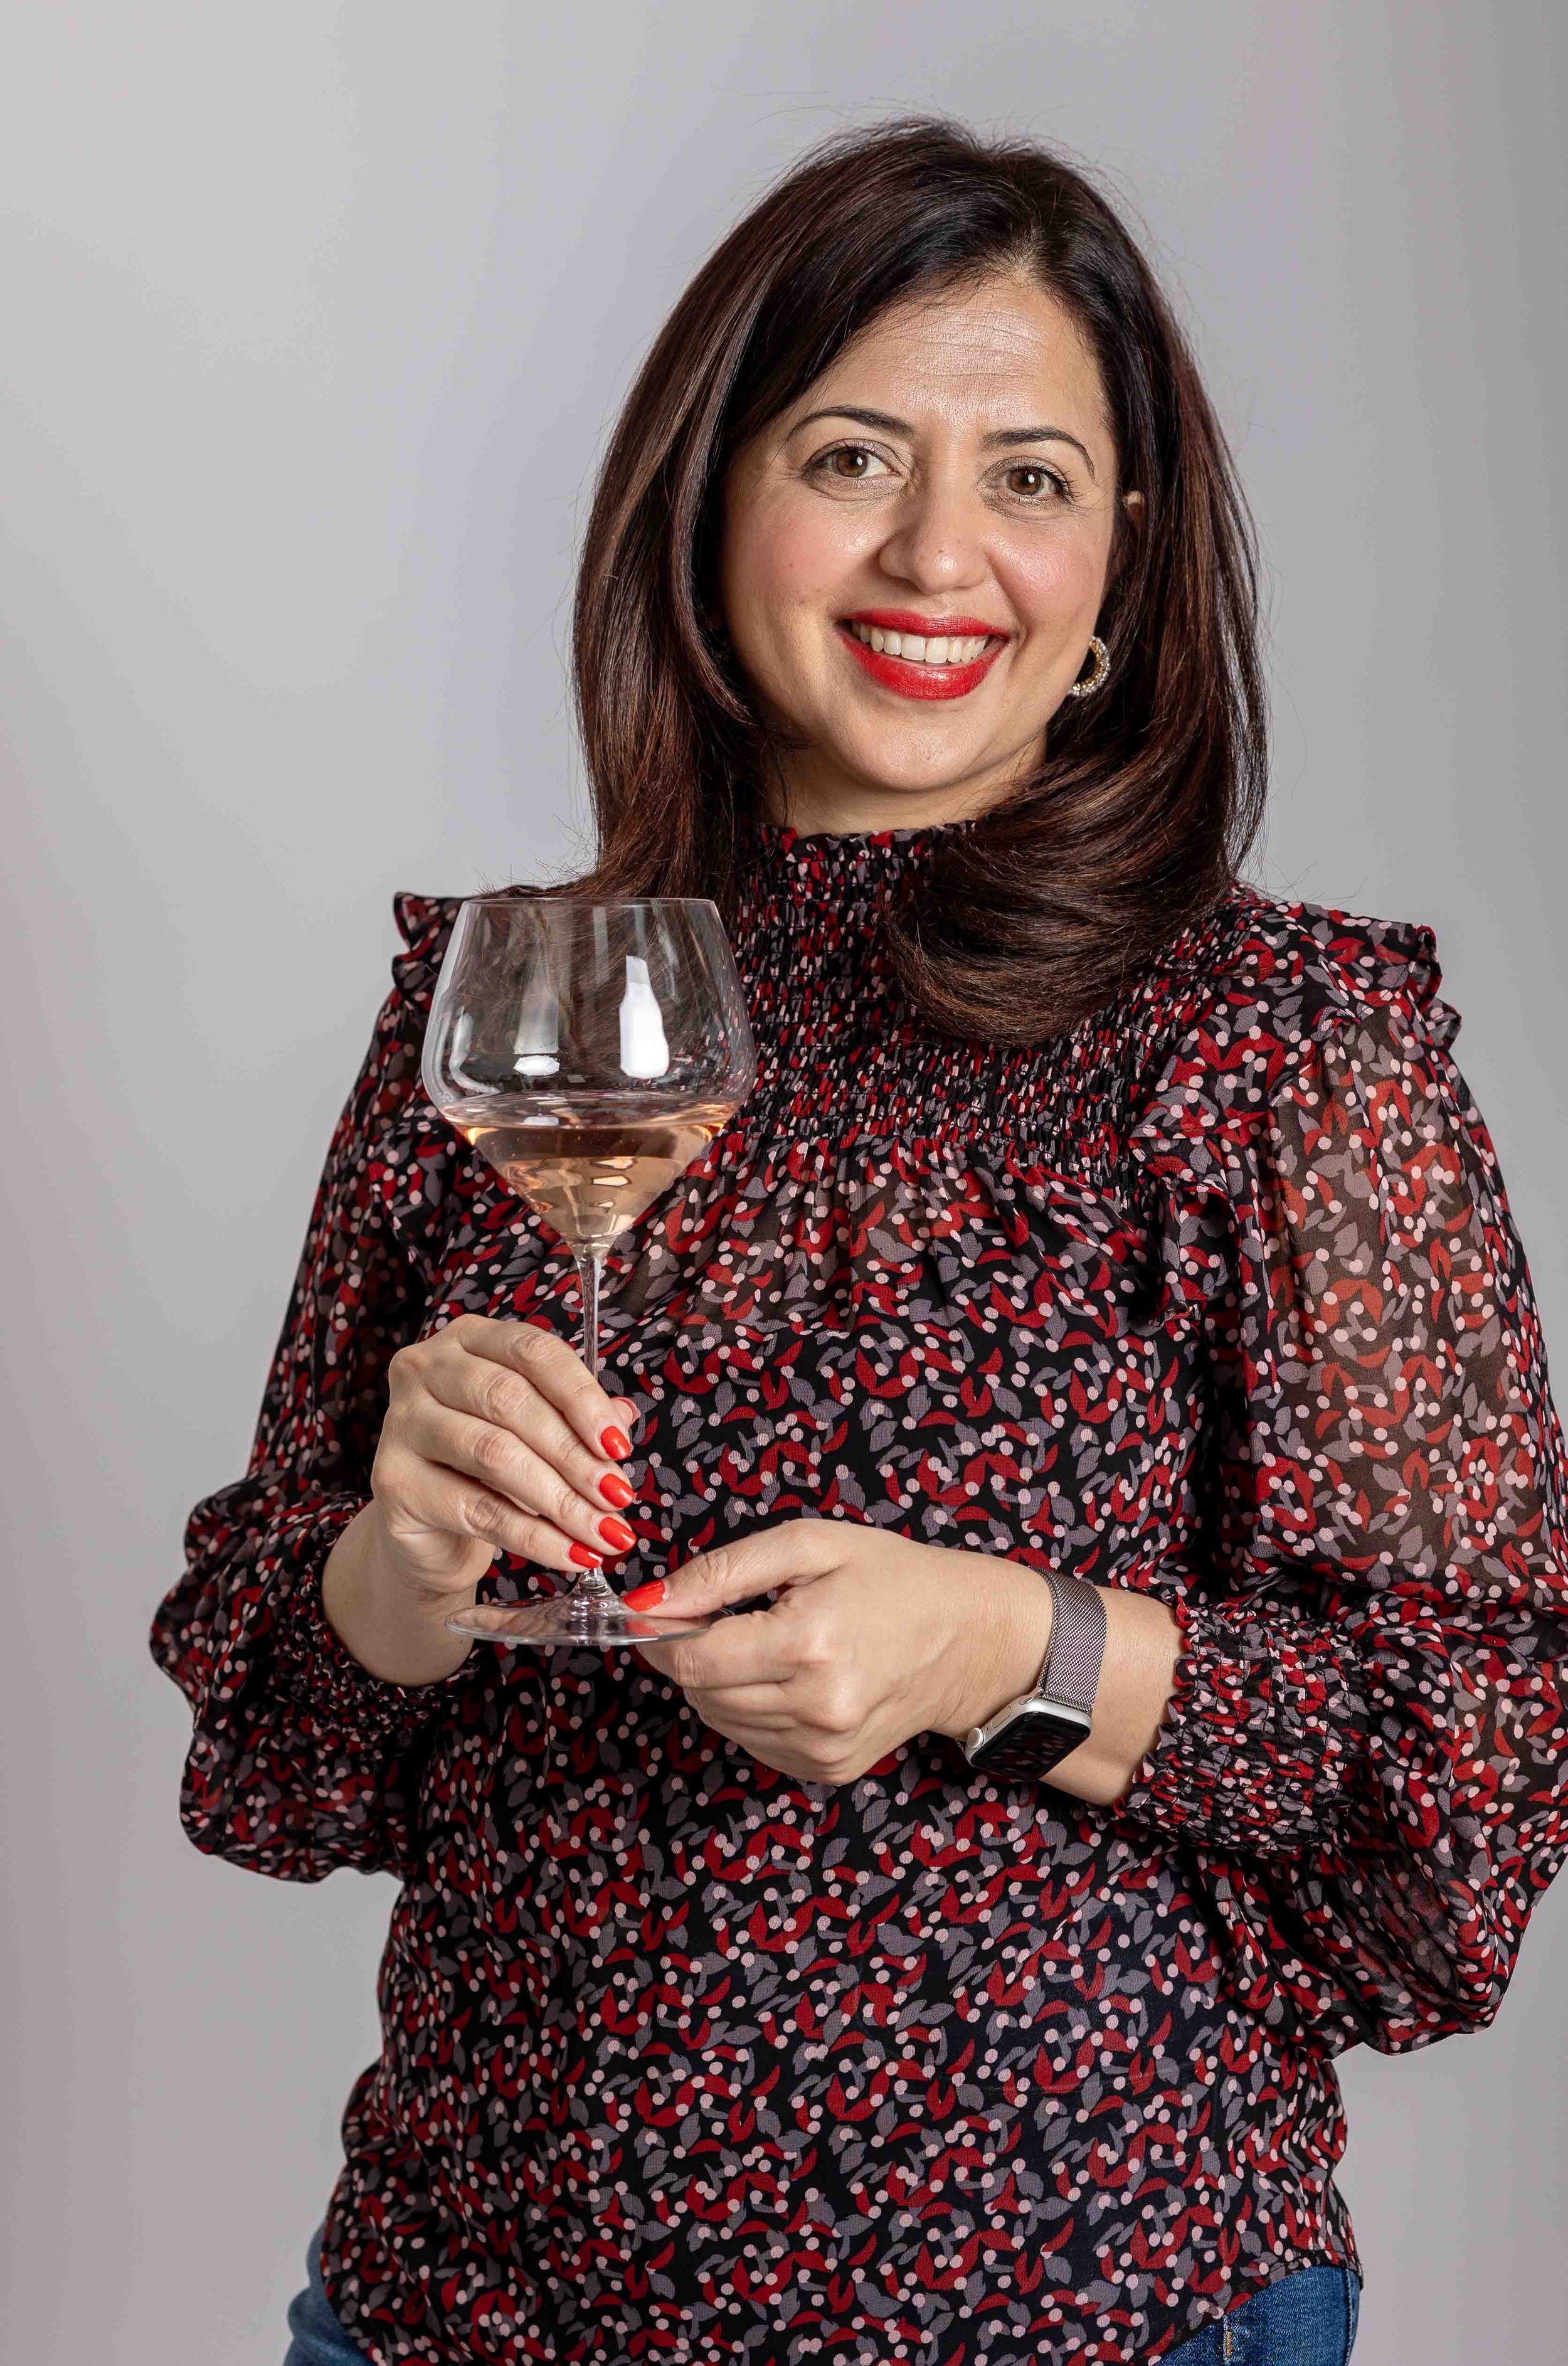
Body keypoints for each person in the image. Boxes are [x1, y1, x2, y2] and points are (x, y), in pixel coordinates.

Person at [151, 115, 1568, 2366]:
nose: (937, 551)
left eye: (1027, 474)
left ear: (1126, 556)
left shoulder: (1289, 1047)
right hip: (469, 2298)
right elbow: (285, 1716)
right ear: (710, 503)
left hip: (1093, 2301)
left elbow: (1459, 1763)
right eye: (847, 454)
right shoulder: (520, 999)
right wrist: (396, 1571)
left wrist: (998, 1642)